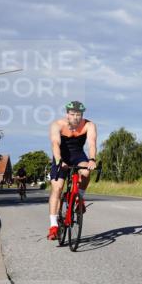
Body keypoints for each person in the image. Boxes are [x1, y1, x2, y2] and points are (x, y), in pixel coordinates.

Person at [48, 101, 98, 240]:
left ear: (82, 114)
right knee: (57, 189)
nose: (76, 117)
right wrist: (59, 160)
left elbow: (92, 143)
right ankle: (53, 226)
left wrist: (92, 160)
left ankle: (79, 198)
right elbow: (55, 143)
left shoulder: (89, 125)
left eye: (78, 114)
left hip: (78, 156)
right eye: (72, 114)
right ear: (67, 114)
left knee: (86, 172)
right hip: (61, 157)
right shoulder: (57, 125)